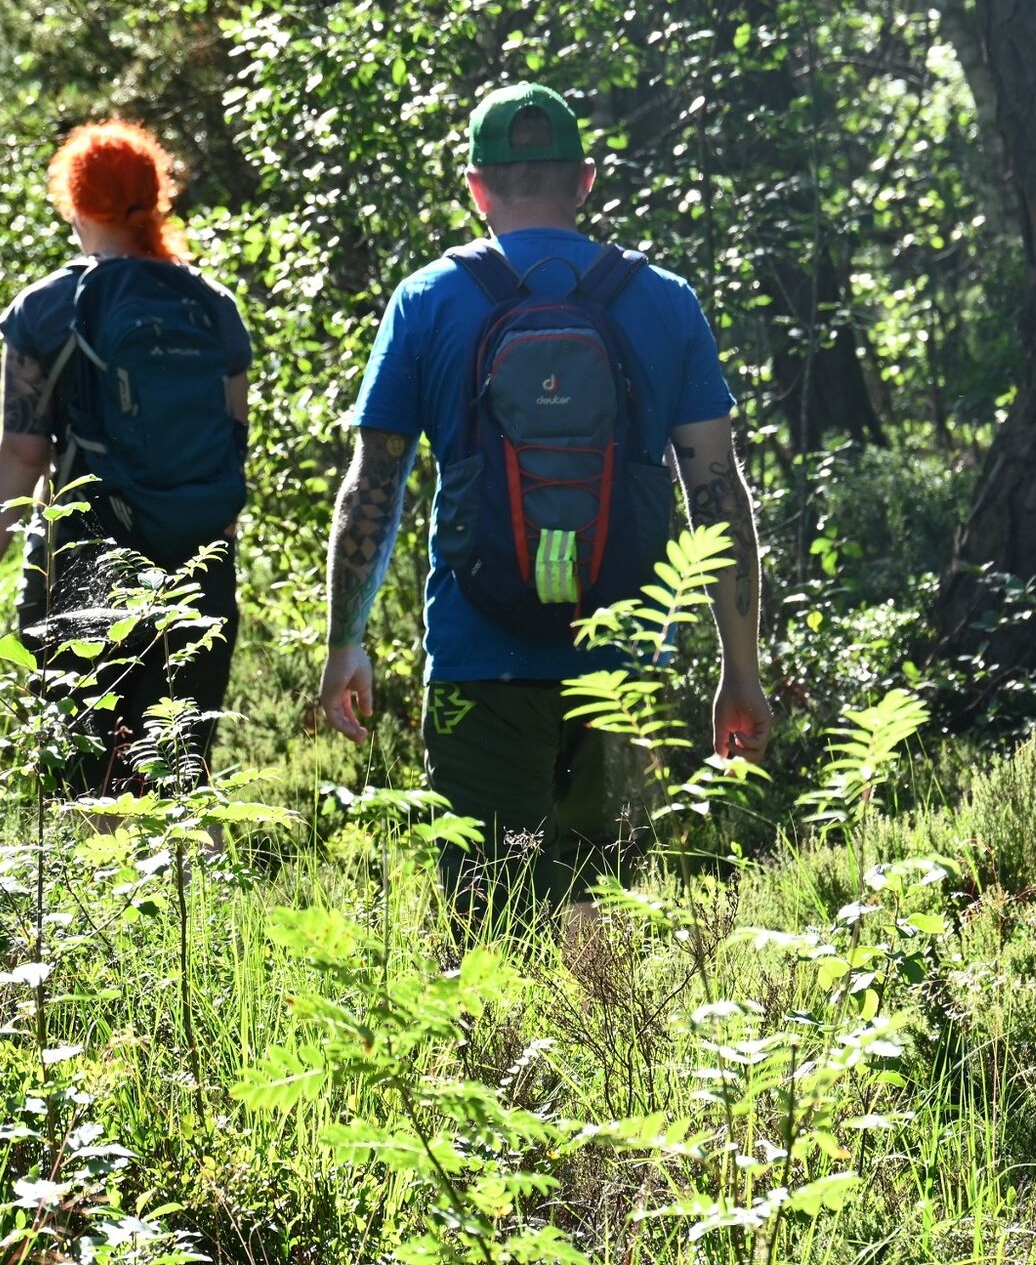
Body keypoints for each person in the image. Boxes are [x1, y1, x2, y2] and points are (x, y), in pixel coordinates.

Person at [314, 82, 773, 909]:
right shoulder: (664, 301)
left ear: (475, 188)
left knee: (490, 915)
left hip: (477, 658)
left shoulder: (427, 300)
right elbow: (718, 493)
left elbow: (372, 485)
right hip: (624, 659)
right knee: (602, 918)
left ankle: (500, 999)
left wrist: (346, 640)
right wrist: (740, 668)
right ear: (585, 181)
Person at [0, 120, 252, 795]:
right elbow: (234, 446)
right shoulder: (212, 308)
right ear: (157, 197)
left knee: (88, 783)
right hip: (200, 568)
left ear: (74, 202)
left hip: (83, 565)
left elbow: (22, 454)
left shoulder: (46, 310)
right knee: (181, 773)